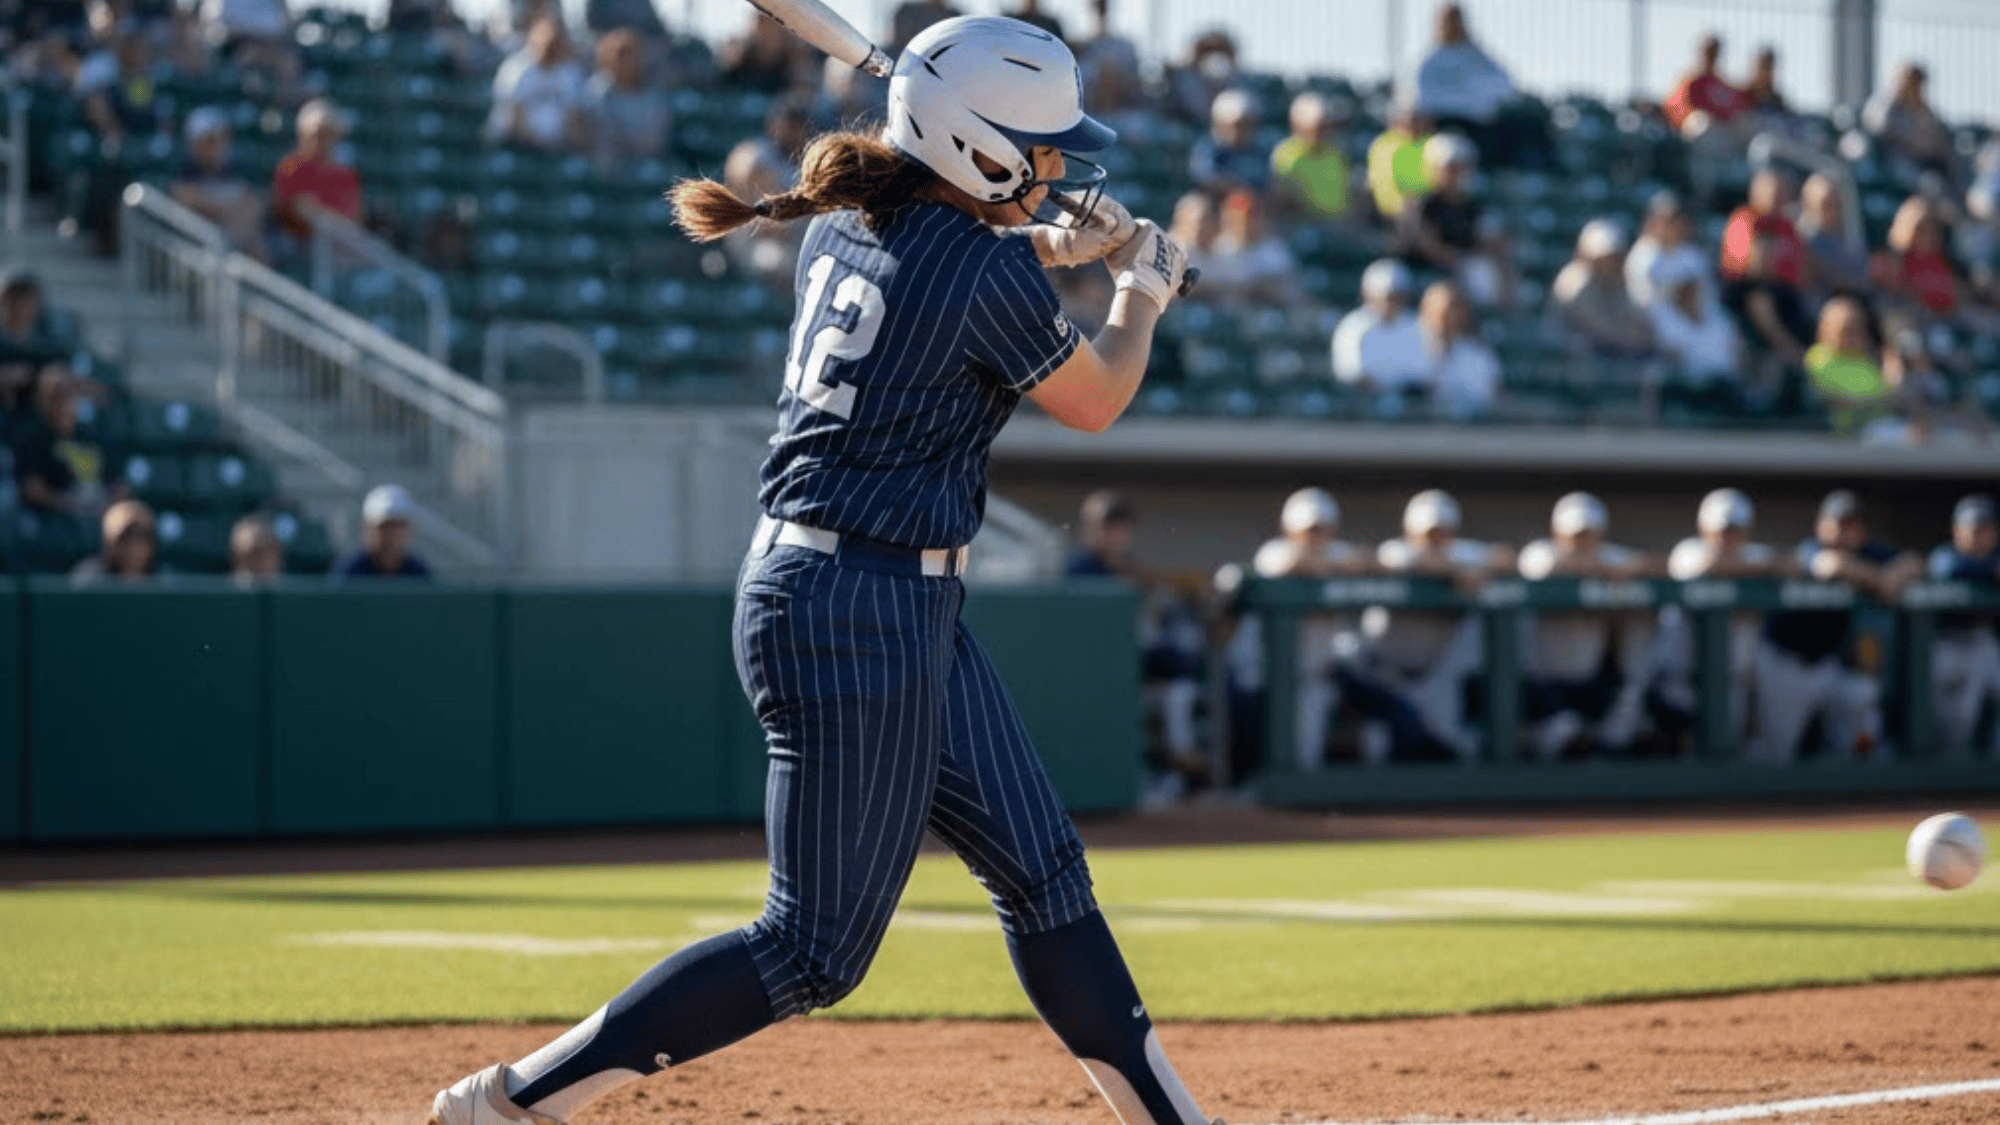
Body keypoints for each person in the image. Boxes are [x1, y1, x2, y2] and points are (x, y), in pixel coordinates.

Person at [428, 17, 1208, 1125]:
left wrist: (1049, 246)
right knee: (811, 950)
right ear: (975, 149)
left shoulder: (840, 228)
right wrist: (1142, 286)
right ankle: (510, 1104)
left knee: (1042, 874)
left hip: (874, 597)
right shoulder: (976, 268)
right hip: (859, 609)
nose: (1055, 165)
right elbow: (1096, 399)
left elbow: (942, 267)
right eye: (1036, 148)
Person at [1338, 489, 1509, 764]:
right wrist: (1458, 572)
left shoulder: (1462, 554)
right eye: (1429, 531)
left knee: (1454, 754)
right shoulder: (1398, 550)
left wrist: (1483, 569)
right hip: (1381, 676)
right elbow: (1410, 562)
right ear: (1410, 529)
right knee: (1379, 748)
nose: (1436, 537)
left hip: (1432, 680)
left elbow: (1505, 557)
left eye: (1442, 530)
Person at [1753, 491, 1916, 763]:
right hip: (1784, 665)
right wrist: (1880, 580)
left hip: (1826, 666)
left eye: (1853, 526)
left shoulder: (1867, 553)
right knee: (1775, 754)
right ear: (1821, 526)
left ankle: (1862, 764)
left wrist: (1893, 576)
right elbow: (1830, 566)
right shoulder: (1810, 549)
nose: (1846, 533)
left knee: (1861, 696)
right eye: (1839, 524)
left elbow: (1913, 562)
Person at [1065, 491, 1204, 791]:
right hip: (1092, 676)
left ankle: (1176, 765)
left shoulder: (1131, 566)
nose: (1111, 534)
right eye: (1104, 526)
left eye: (1117, 526)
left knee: (1180, 675)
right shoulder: (1079, 569)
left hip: (1133, 668)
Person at [1232, 487, 1367, 770]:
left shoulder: (1338, 554)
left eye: (1320, 529)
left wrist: (1332, 565)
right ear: (1288, 529)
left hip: (1312, 678)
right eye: (1307, 529)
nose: (1314, 536)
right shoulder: (1275, 550)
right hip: (1260, 677)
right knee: (1256, 752)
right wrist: (1325, 566)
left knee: (1305, 762)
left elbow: (1372, 561)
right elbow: (1288, 562)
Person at [1515, 492, 1653, 759]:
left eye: (1588, 534)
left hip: (1591, 685)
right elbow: (1545, 567)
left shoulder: (1609, 557)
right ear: (1558, 531)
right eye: (1575, 534)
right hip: (1542, 689)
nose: (1582, 541)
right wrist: (1609, 569)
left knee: (1629, 712)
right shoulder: (1541, 552)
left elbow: (1652, 565)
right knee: (1565, 740)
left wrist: (1627, 567)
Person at [1660, 488, 1786, 752]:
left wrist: (1763, 566)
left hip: (1736, 684)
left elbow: (1791, 565)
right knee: (1686, 753)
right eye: (1721, 530)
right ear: (1703, 528)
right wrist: (1761, 570)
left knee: (1731, 751)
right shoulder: (1688, 550)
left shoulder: (1757, 555)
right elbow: (1706, 565)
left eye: (1734, 530)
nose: (1727, 538)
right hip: (1682, 682)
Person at [1406, 2, 1541, 169]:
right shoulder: (1430, 62)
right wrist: (1467, 99)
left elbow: (1504, 87)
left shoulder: (1477, 57)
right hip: (1444, 124)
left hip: (1480, 125)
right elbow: (1425, 98)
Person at [1400, 132, 1513, 308]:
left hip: (1461, 269)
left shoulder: (1475, 207)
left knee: (1489, 270)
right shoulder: (1421, 205)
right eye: (1450, 168)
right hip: (1426, 272)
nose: (1456, 174)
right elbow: (1428, 246)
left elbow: (1494, 243)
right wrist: (1461, 262)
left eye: (1461, 167)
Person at [1928, 495, 2000, 759]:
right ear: (1958, 530)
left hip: (1983, 643)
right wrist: (1992, 570)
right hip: (1946, 644)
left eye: (1986, 528)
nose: (1980, 535)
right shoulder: (1945, 556)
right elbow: (1950, 570)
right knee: (1955, 722)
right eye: (1973, 528)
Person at [172, 106, 267, 259]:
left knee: (259, 248)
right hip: (200, 254)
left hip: (238, 250)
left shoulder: (238, 171)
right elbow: (186, 199)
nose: (219, 145)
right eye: (210, 140)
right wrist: (225, 212)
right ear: (195, 144)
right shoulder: (185, 172)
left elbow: (254, 206)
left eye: (223, 138)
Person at [1552, 218, 1654, 359]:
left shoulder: (1618, 281)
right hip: (1566, 355)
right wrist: (1633, 337)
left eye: (1614, 257)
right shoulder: (1575, 280)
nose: (1609, 263)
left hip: (1608, 352)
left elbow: (1635, 320)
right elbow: (1598, 327)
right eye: (1603, 258)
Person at [486, 15, 589, 153]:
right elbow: (513, 118)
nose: (550, 47)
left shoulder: (571, 72)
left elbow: (575, 118)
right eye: (546, 41)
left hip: (558, 147)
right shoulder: (515, 68)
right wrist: (538, 144)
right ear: (532, 39)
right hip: (515, 145)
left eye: (554, 42)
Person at [271, 99, 361, 246]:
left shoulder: (346, 173)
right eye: (318, 133)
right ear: (302, 135)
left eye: (329, 133)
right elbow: (296, 210)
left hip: (343, 246)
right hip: (299, 244)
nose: (324, 139)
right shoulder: (291, 166)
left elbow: (355, 215)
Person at [1196, 189, 1304, 311]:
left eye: (1249, 218)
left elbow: (1284, 290)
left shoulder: (1273, 248)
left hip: (1263, 313)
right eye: (1236, 219)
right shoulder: (1218, 247)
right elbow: (1202, 284)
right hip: (1223, 315)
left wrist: (1244, 287)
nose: (1243, 224)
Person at [1332, 258, 1427, 396]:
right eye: (1387, 295)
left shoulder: (1419, 325)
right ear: (1368, 294)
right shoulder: (1353, 326)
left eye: (1397, 295)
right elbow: (1349, 372)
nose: (1392, 301)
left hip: (1412, 402)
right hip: (1363, 402)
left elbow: (1427, 374)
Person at [1649, 258, 1741, 389]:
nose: (1688, 292)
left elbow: (1737, 350)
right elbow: (1672, 357)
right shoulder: (1662, 316)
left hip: (1727, 385)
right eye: (1683, 288)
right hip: (1687, 390)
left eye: (1692, 287)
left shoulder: (1717, 314)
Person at [1863, 63, 1960, 188]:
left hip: (1925, 160)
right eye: (1911, 81)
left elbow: (1938, 136)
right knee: (1931, 184)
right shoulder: (1884, 105)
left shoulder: (1922, 108)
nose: (1914, 87)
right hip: (1893, 160)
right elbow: (1880, 129)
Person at [1269, 91, 1357, 227]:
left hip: (1339, 226)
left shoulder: (1335, 152)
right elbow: (1283, 198)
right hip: (1304, 226)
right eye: (1317, 126)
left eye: (1324, 126)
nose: (1322, 131)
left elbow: (1347, 199)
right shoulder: (1285, 153)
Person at [1414, 280, 1499, 419]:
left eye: (1452, 310)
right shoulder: (1405, 345)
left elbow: (1484, 399)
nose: (1446, 317)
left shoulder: (1477, 354)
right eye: (1440, 312)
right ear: (1424, 309)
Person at [585, 29, 671, 166]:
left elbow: (653, 142)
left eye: (632, 56)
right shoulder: (597, 90)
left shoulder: (653, 96)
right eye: (621, 56)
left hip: (644, 162)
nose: (628, 62)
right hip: (607, 162)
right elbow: (597, 134)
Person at [1625, 191, 1716, 312]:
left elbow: (1709, 297)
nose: (1672, 226)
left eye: (1675, 219)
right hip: (1655, 322)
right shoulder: (1641, 257)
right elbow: (1643, 303)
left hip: (1696, 319)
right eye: (1665, 220)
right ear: (1651, 222)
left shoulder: (1693, 254)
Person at [1797, 172, 1873, 304]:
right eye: (1827, 204)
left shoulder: (1851, 240)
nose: (1833, 211)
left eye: (1837, 204)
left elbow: (1864, 282)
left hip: (1851, 304)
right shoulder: (1798, 237)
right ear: (1808, 204)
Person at [1662, 33, 1750, 140]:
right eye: (1708, 52)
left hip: (1718, 133)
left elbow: (1737, 105)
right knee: (1701, 122)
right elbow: (1672, 108)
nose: (1710, 57)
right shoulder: (1690, 80)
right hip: (1689, 137)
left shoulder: (1719, 83)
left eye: (1713, 53)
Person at [333, 484, 431, 578]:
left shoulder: (420, 573)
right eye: (384, 527)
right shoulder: (348, 572)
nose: (391, 535)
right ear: (367, 529)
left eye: (397, 527)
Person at [1187, 89, 1269, 197]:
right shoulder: (1207, 148)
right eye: (1237, 124)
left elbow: (1266, 184)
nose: (1241, 129)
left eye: (1245, 124)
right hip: (1216, 203)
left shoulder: (1258, 151)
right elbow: (1205, 181)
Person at [1367, 102, 1432, 221]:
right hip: (1393, 215)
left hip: (1427, 211)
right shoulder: (1383, 145)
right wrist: (1402, 206)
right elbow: (1383, 181)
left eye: (1416, 119)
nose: (1412, 124)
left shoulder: (1430, 143)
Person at [69, 499, 156, 584]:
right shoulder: (88, 579)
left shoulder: (165, 582)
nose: (133, 547)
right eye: (124, 538)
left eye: (140, 536)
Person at [229, 514, 285, 584]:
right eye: (257, 551)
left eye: (271, 548)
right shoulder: (222, 592)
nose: (266, 557)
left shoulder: (292, 590)